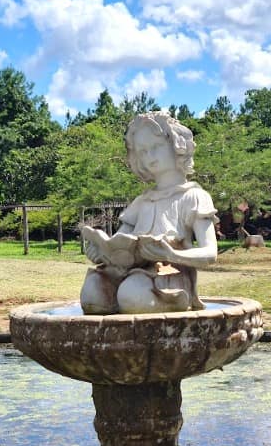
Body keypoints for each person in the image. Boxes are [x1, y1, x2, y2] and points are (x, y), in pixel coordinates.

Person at [80, 112, 218, 314]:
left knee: (131, 294)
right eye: (142, 152)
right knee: (92, 293)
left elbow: (210, 252)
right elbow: (120, 241)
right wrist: (102, 252)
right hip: (128, 271)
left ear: (176, 145)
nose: (149, 157)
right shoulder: (142, 201)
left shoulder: (194, 196)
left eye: (156, 147)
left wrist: (173, 254)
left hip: (168, 274)